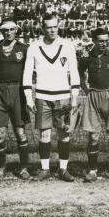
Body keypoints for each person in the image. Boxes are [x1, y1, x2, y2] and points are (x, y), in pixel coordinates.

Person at [22, 14, 80, 182]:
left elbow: (74, 73)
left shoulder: (67, 45)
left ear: (58, 26)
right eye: (48, 27)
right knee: (44, 134)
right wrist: (29, 98)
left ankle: (63, 169)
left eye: (55, 26)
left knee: (64, 134)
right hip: (42, 96)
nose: (52, 30)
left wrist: (74, 97)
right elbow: (27, 74)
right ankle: (45, 169)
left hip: (63, 97)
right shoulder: (34, 47)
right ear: (42, 28)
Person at [78, 28, 109, 182]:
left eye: (107, 40)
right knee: (93, 136)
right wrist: (87, 91)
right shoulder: (87, 57)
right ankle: (93, 171)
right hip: (93, 95)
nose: (104, 44)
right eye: (100, 41)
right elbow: (79, 74)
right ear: (94, 41)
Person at [0, 20, 31, 179]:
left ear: (16, 30)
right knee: (0, 134)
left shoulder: (24, 49)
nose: (8, 32)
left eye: (12, 29)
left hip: (18, 91)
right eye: (5, 30)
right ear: (0, 31)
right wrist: (1, 86)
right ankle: (1, 168)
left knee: (20, 132)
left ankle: (24, 168)